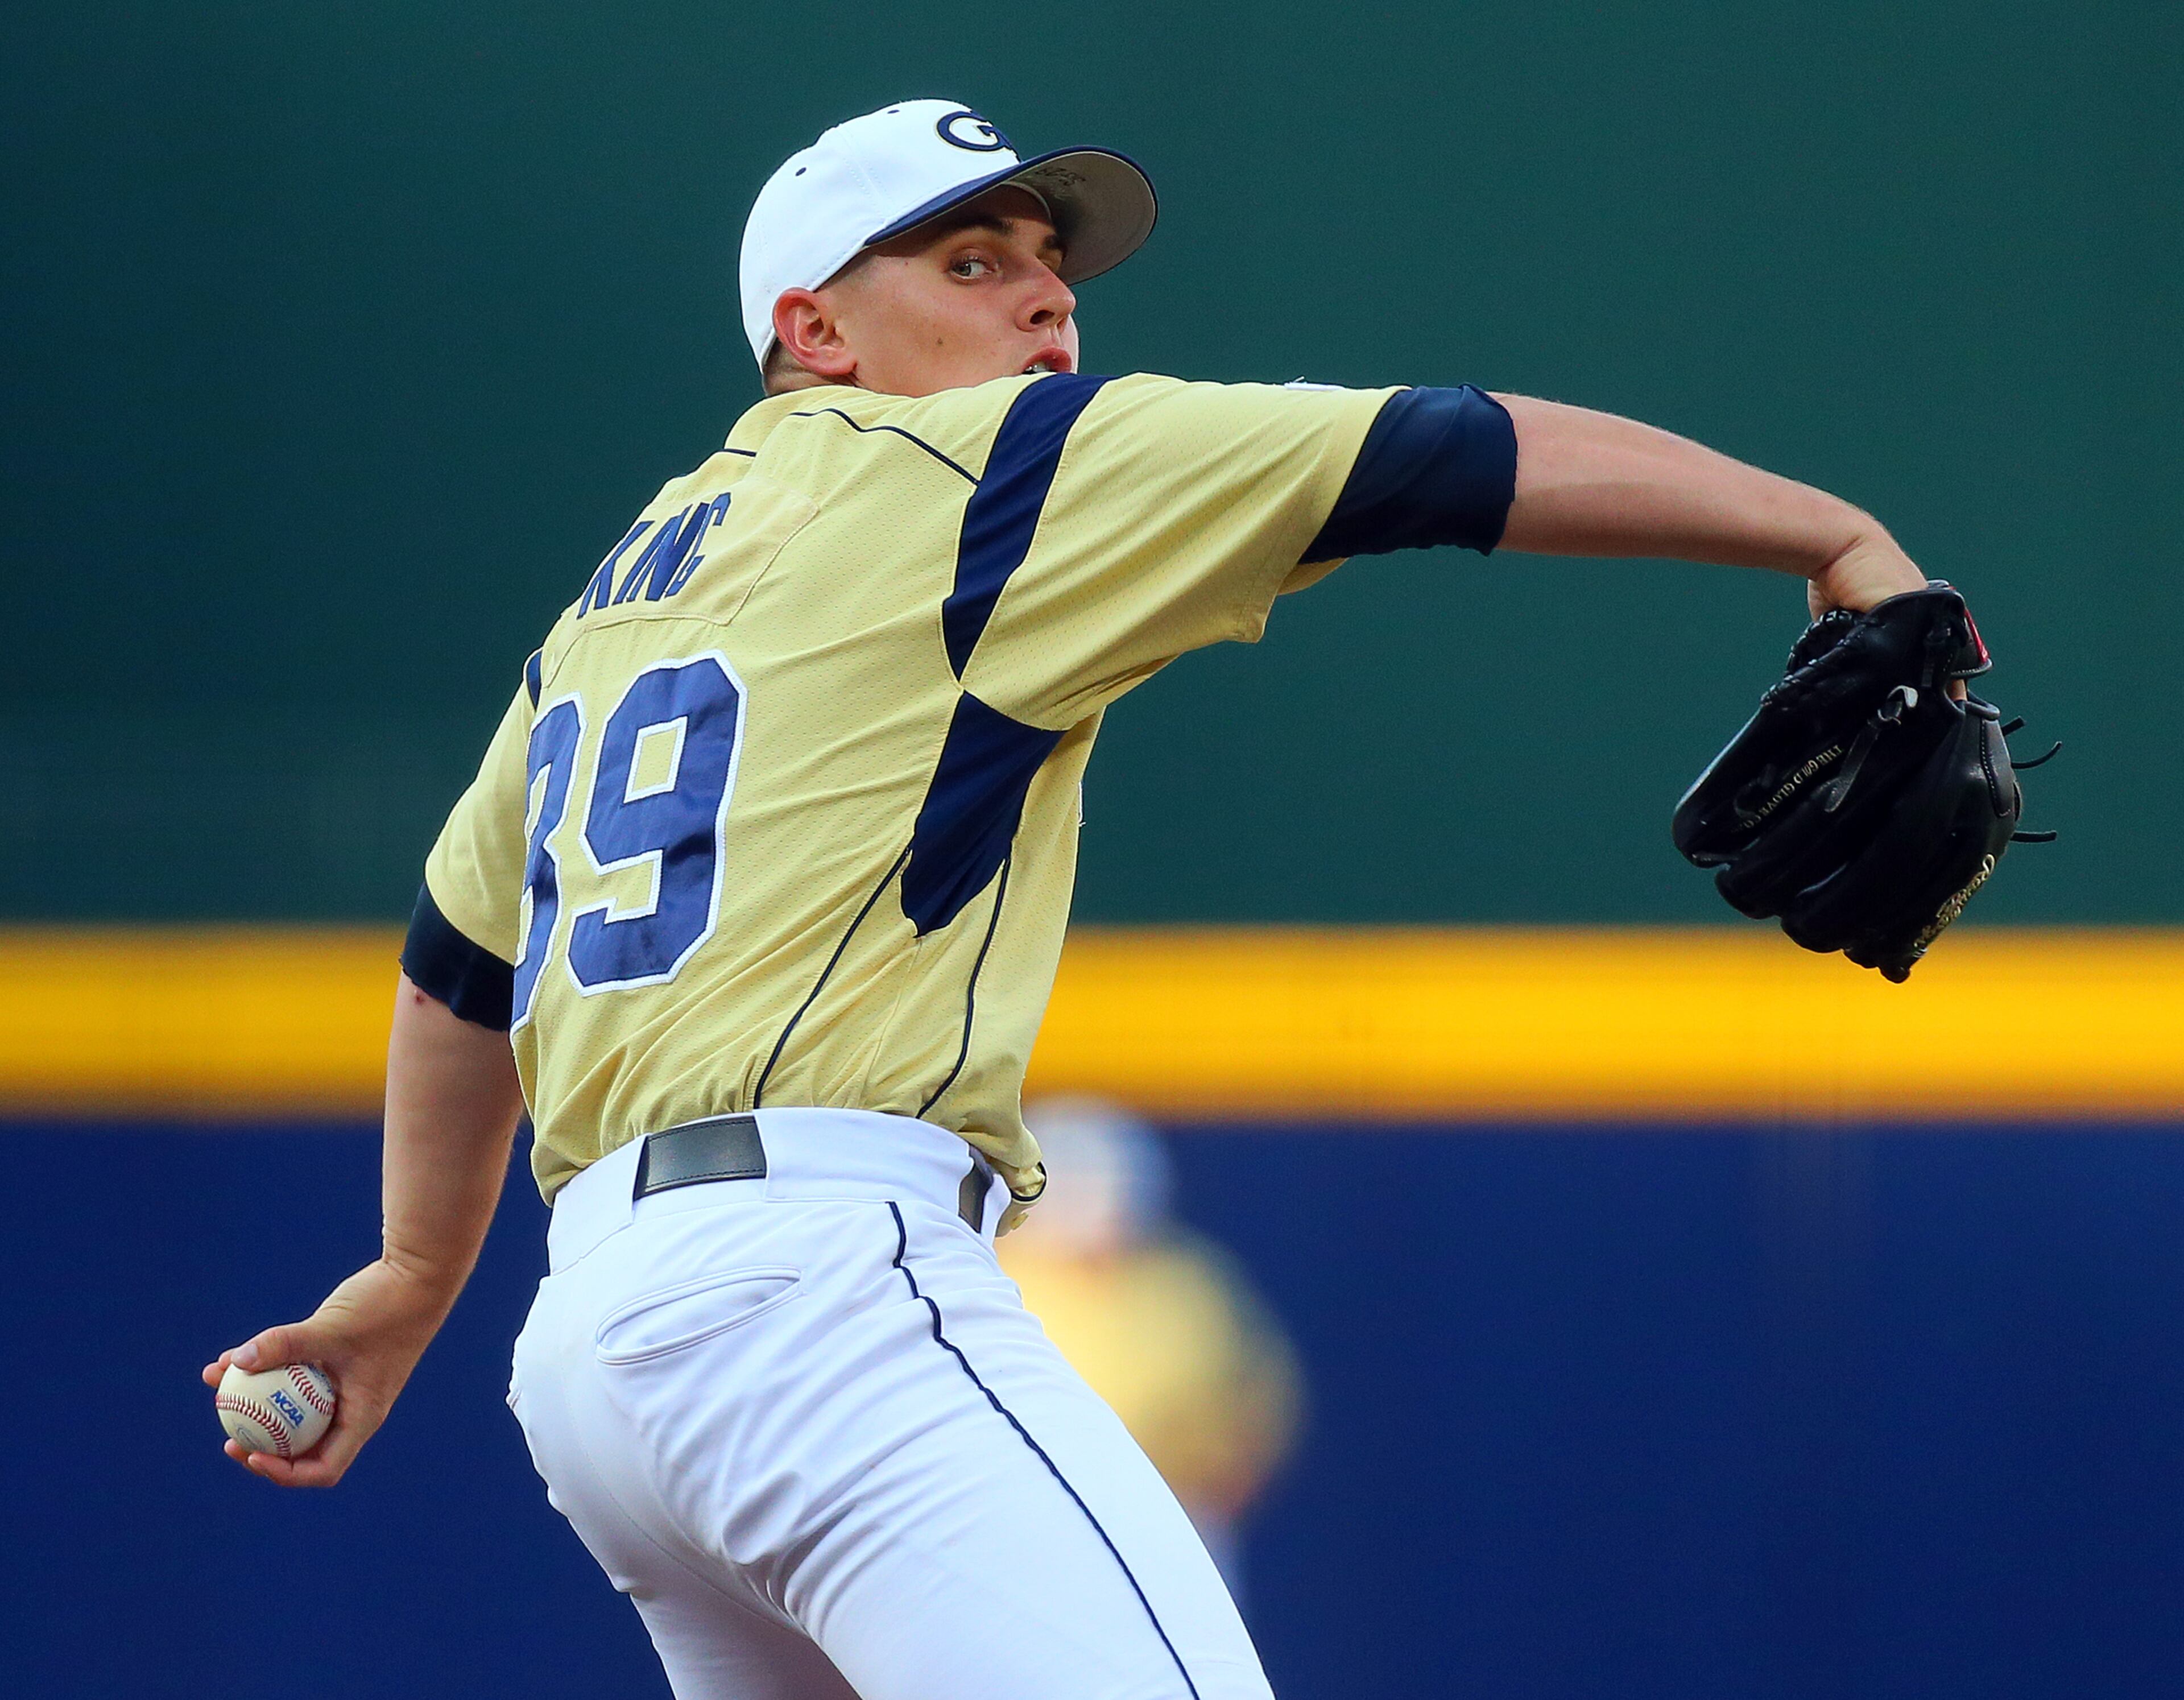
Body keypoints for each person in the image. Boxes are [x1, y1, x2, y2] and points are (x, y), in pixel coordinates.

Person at [202, 98, 1942, 1700]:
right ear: (815, 330)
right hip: (819, 1302)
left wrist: (413, 1274)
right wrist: (1830, 535)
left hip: (594, 1360)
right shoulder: (989, 469)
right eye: (971, 263)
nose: (1044, 307)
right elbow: (1441, 454)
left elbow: (457, 973)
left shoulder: (615, 598)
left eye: (1052, 270)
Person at [1002, 1097, 1301, 1603]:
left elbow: (1260, 1399)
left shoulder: (1188, 1287)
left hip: (1173, 1524)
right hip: (1020, 1533)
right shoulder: (990, 1283)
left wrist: (1222, 1487)